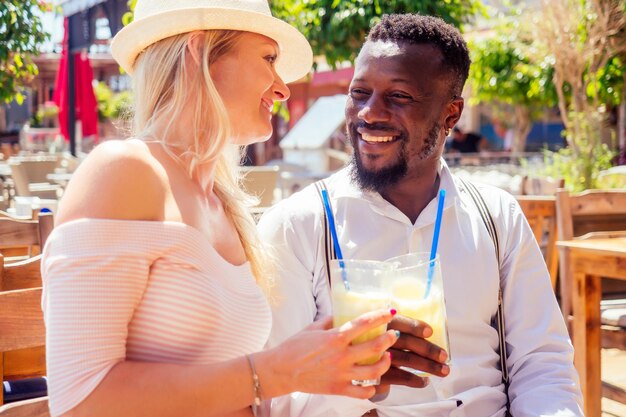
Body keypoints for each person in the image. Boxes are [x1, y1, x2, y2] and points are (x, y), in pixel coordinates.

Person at [40, 1, 400, 417]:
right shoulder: (125, 170)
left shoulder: (224, 205)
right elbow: (80, 402)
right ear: (199, 53)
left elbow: (243, 388)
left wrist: (333, 370)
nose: (282, 88)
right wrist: (279, 371)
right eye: (268, 59)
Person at [258, 14, 583, 417]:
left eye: (399, 96)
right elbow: (276, 397)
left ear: (451, 115)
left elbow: (542, 364)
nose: (369, 114)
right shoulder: (297, 226)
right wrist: (352, 384)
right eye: (359, 92)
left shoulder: (497, 217)